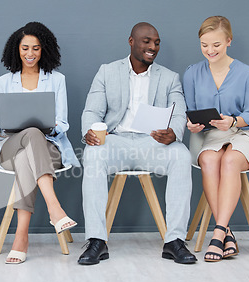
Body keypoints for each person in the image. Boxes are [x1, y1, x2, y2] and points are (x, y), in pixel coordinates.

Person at [79, 22, 197, 265]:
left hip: (151, 144)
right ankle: (96, 241)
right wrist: (89, 131)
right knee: (92, 155)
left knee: (181, 155)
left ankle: (174, 240)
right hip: (117, 141)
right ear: (131, 41)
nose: (152, 47)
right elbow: (91, 110)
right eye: (146, 41)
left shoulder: (169, 77)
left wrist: (173, 133)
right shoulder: (107, 72)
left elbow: (178, 114)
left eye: (156, 42)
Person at [0, 22, 80, 264]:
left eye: (36, 49)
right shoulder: (3, 82)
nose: (30, 54)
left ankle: (21, 237)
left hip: (48, 146)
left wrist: (47, 127)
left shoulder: (57, 80)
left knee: (27, 152)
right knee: (28, 135)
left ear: (44, 50)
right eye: (25, 48)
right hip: (9, 146)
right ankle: (54, 208)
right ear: (16, 50)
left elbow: (63, 122)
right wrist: (15, 127)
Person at [184, 16, 249, 262]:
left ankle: (218, 232)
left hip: (245, 134)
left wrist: (232, 121)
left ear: (229, 41)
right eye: (204, 45)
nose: (210, 51)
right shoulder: (191, 73)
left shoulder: (247, 73)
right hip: (210, 137)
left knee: (229, 161)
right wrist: (191, 125)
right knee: (209, 162)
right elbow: (188, 111)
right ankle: (226, 232)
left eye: (216, 45)